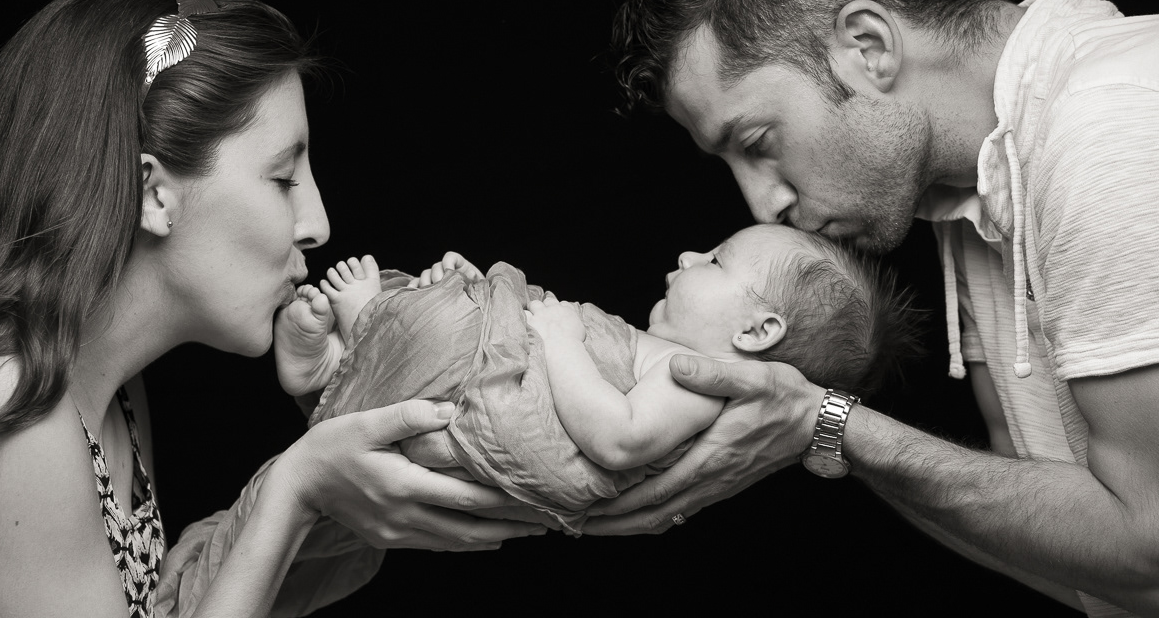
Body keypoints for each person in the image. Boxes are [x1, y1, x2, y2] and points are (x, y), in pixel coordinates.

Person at [601, 0, 1159, 616]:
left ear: (867, 46)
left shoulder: (1112, 129)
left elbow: (1147, 550)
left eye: (758, 142)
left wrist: (830, 424)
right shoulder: (969, 188)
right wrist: (808, 421)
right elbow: (1065, 551)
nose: (762, 204)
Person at [0, 0, 541, 618]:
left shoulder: (110, 395)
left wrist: (362, 397)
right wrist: (296, 490)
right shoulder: (11, 411)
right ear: (153, 194)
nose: (318, 224)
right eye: (283, 178)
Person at [272, 224, 919, 534]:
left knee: (458, 335)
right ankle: (349, 362)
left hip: (526, 429)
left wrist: (558, 339)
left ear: (757, 332)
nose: (689, 254)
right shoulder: (668, 362)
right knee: (464, 325)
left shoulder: (700, 382)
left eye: (715, 261)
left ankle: (362, 336)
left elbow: (618, 439)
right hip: (512, 419)